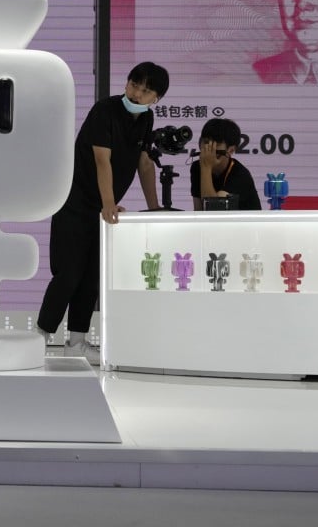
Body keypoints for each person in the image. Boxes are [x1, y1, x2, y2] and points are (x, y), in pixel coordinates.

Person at [36, 61, 170, 365]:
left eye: (145, 91)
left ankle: (78, 341)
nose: (136, 94)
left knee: (90, 277)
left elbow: (144, 163)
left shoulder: (145, 120)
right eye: (134, 85)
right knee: (68, 274)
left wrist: (153, 207)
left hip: (100, 210)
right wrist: (108, 202)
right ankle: (41, 336)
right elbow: (101, 160)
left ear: (156, 99)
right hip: (74, 202)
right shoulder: (104, 111)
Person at [189, 118, 261, 211]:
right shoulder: (197, 167)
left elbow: (213, 211)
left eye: (216, 144)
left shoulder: (240, 174)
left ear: (230, 150)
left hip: (245, 224)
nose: (208, 148)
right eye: (206, 142)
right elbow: (198, 210)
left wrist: (206, 167)